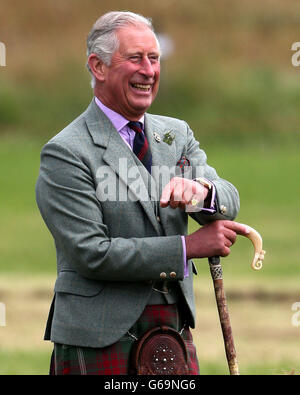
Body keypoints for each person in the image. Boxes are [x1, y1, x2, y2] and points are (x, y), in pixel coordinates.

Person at [36, 11, 249, 375]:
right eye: (135, 58)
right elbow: (92, 253)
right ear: (97, 67)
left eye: (154, 58)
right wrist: (188, 247)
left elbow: (228, 199)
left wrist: (202, 192)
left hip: (171, 328)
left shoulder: (175, 134)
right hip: (98, 335)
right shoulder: (66, 152)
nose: (148, 70)